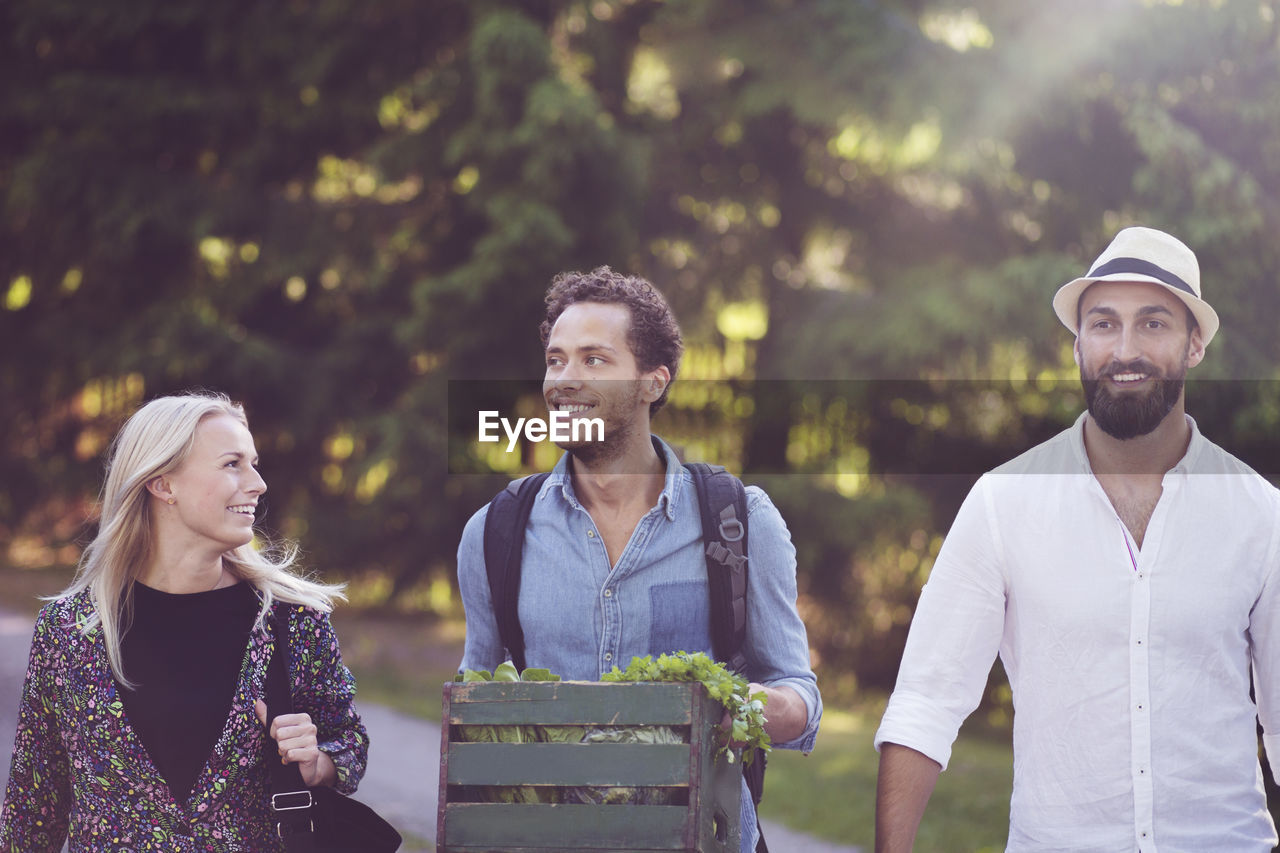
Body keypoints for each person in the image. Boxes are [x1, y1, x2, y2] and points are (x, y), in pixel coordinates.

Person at [873, 226, 1280, 851]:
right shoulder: (1002, 503)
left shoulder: (1259, 514)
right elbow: (927, 701)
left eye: (1153, 324)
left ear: (1194, 344)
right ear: (1076, 344)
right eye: (1103, 324)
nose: (1124, 350)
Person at [456, 266, 822, 852]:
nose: (564, 380)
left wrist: (750, 709)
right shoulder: (494, 532)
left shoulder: (740, 521)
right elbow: (476, 703)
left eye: (594, 360)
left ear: (653, 382)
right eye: (556, 360)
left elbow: (800, 695)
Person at [0, 391, 370, 852]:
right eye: (233, 463)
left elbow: (348, 741)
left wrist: (318, 763)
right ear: (163, 484)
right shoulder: (71, 631)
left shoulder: (292, 621)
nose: (258, 483)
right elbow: (33, 811)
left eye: (253, 463)